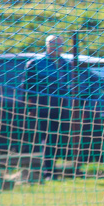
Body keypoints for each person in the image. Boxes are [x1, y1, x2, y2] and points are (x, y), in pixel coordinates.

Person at [21, 35, 73, 179]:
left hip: (61, 108)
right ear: (47, 46)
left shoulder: (66, 64)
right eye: (54, 44)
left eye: (60, 44)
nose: (57, 47)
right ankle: (47, 172)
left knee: (57, 139)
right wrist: (29, 105)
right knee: (46, 139)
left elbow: (70, 85)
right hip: (43, 107)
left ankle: (52, 170)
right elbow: (27, 87)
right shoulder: (36, 64)